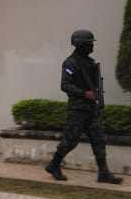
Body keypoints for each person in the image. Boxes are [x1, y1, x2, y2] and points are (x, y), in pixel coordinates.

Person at [44, 29, 123, 184]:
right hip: (77, 110)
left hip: (91, 109)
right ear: (80, 45)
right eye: (89, 44)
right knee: (70, 141)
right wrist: (85, 94)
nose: (92, 46)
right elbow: (65, 85)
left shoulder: (91, 63)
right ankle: (53, 165)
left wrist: (97, 93)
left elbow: (94, 85)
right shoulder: (70, 63)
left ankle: (103, 173)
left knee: (99, 140)